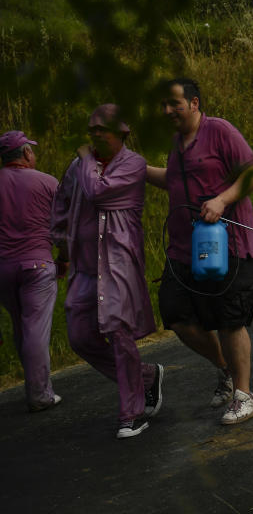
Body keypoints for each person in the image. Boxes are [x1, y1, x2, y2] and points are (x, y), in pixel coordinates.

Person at [146, 78, 253, 425]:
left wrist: (223, 199)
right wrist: (137, 169)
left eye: (174, 104)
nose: (167, 111)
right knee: (176, 314)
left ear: (194, 103)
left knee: (229, 320)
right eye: (164, 105)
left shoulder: (220, 131)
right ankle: (225, 369)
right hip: (184, 249)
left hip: (228, 245)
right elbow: (174, 179)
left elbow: (252, 172)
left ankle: (244, 395)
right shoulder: (177, 144)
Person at [51, 106, 162, 439]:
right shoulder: (77, 167)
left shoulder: (133, 164)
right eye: (91, 130)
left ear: (122, 133)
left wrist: (85, 158)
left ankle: (133, 412)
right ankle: (145, 378)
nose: (95, 135)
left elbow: (97, 192)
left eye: (102, 129)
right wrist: (60, 243)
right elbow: (63, 202)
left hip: (117, 261)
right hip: (84, 265)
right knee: (80, 335)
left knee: (118, 330)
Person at [0, 131, 62, 413]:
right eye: (32, 151)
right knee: (35, 328)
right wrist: (67, 260)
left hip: (3, 268)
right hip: (37, 264)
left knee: (20, 325)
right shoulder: (47, 182)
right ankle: (39, 394)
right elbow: (64, 229)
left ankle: (34, 385)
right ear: (26, 154)